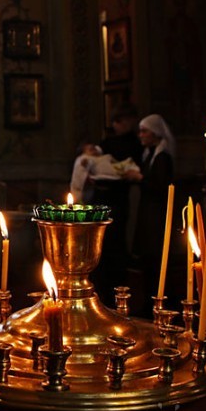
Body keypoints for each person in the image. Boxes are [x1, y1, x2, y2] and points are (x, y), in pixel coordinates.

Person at [89, 102, 144, 304]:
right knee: (100, 244)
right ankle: (101, 290)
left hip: (118, 199)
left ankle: (117, 291)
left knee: (117, 243)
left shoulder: (134, 144)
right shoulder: (109, 142)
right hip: (102, 198)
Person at [126, 113, 176, 310]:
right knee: (147, 259)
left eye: (144, 131)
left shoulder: (162, 156)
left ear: (155, 133)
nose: (141, 135)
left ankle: (159, 302)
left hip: (157, 215)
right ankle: (150, 301)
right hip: (148, 213)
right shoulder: (150, 154)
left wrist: (139, 178)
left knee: (156, 259)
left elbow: (161, 186)